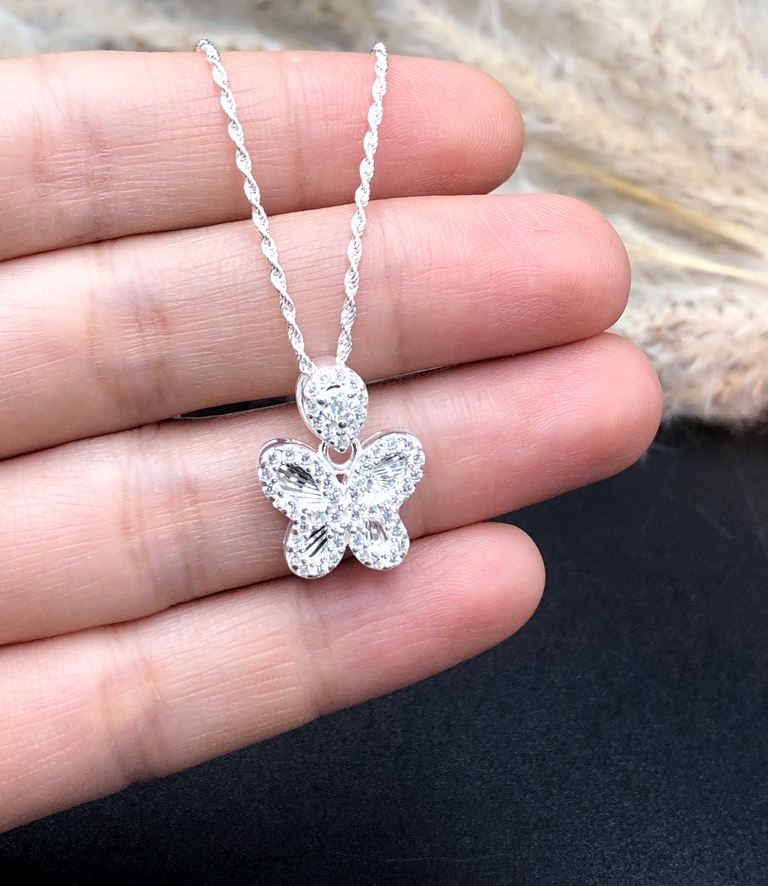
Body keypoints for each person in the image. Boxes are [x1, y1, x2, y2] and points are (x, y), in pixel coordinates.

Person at [0, 48, 662, 830]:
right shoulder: (316, 464)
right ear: (322, 409)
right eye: (331, 408)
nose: (339, 418)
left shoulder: (374, 458)